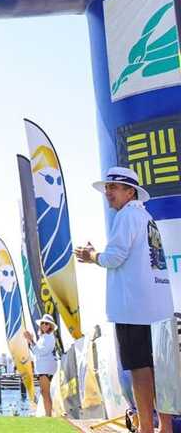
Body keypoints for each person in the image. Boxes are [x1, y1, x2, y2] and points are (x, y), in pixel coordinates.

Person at [75, 167, 174, 433]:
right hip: (157, 306)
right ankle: (163, 426)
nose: (108, 193)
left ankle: (145, 428)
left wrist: (92, 255)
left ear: (130, 192)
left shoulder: (127, 215)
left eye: (114, 187)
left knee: (140, 369)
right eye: (107, 187)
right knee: (159, 371)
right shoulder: (145, 217)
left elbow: (114, 257)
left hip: (134, 308)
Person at [23, 314, 58, 416]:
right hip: (44, 368)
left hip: (46, 369)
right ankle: (48, 415)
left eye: (46, 323)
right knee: (45, 392)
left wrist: (31, 340)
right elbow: (36, 351)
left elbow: (40, 352)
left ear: (50, 326)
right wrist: (31, 341)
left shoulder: (48, 337)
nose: (43, 325)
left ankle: (48, 416)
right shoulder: (44, 337)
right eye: (42, 323)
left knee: (45, 393)